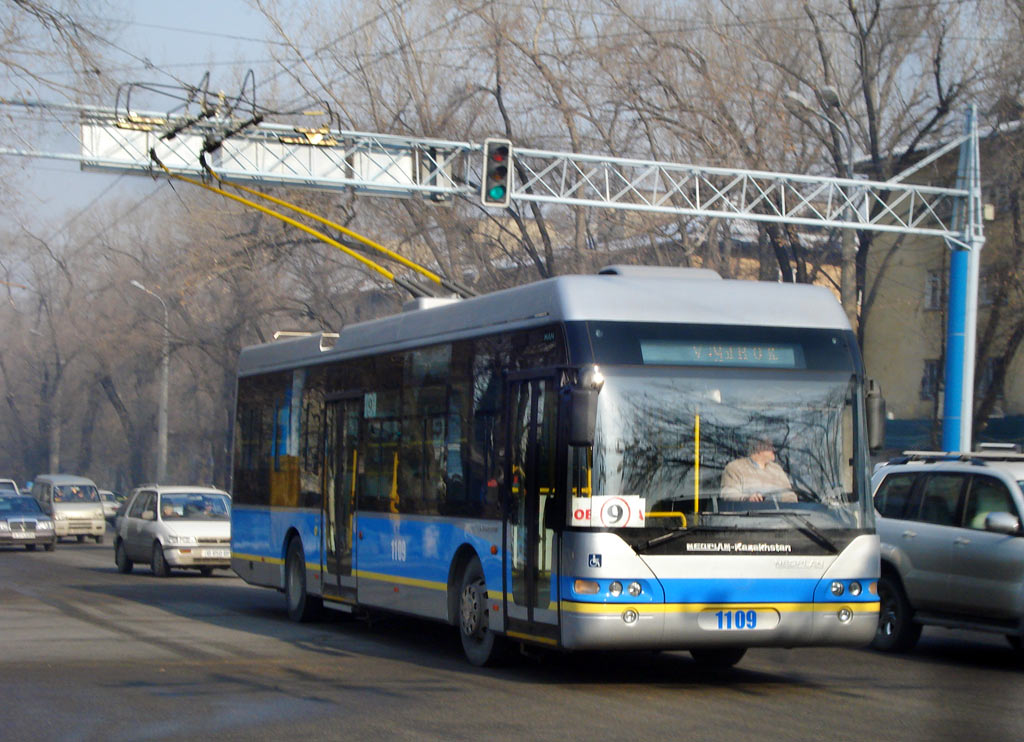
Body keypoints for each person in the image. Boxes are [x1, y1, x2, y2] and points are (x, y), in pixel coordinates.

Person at [720, 437, 797, 502]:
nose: (774, 449)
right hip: (748, 517)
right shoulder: (735, 468)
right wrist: (748, 498)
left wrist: (774, 499)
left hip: (781, 517)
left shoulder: (777, 470)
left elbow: (791, 496)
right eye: (769, 447)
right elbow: (728, 493)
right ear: (758, 449)